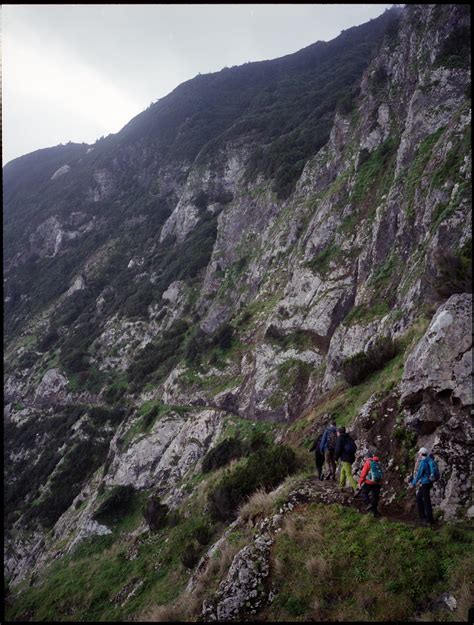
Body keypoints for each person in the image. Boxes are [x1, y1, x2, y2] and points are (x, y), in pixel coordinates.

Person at [410, 447, 435, 527]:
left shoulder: (423, 462)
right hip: (428, 483)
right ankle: (423, 517)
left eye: (419, 453)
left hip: (425, 483)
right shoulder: (429, 460)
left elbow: (419, 475)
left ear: (421, 454)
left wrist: (413, 483)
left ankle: (428, 520)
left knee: (426, 501)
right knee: (419, 498)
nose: (419, 454)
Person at [358, 450, 383, 516]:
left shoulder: (368, 462)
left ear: (366, 457)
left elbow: (363, 474)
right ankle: (375, 512)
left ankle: (369, 504)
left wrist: (360, 482)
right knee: (375, 497)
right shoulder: (378, 462)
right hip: (377, 483)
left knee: (363, 492)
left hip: (369, 482)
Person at [334, 427, 358, 493]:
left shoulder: (340, 438)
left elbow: (337, 450)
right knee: (343, 471)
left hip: (345, 458)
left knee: (348, 474)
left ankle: (356, 488)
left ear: (338, 432)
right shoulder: (348, 437)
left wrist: (335, 458)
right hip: (351, 457)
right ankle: (341, 487)